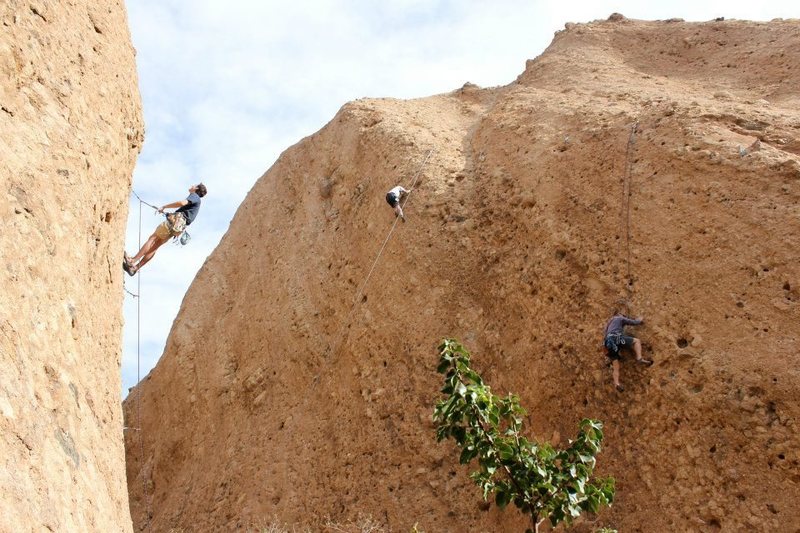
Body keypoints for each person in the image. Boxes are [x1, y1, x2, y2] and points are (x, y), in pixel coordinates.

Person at [123, 183, 207, 276]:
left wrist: (164, 206)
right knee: (155, 247)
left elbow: (182, 203)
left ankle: (132, 261)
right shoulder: (197, 202)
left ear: (196, 188)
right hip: (178, 228)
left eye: (194, 185)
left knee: (152, 239)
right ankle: (135, 268)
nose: (191, 185)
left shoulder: (194, 196)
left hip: (174, 223)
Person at [603, 312, 652, 392]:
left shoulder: (608, 325)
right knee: (636, 341)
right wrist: (640, 320)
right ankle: (639, 358)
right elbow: (633, 322)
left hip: (607, 343)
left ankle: (617, 384)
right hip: (616, 338)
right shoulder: (619, 318)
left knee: (616, 367)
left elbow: (605, 335)